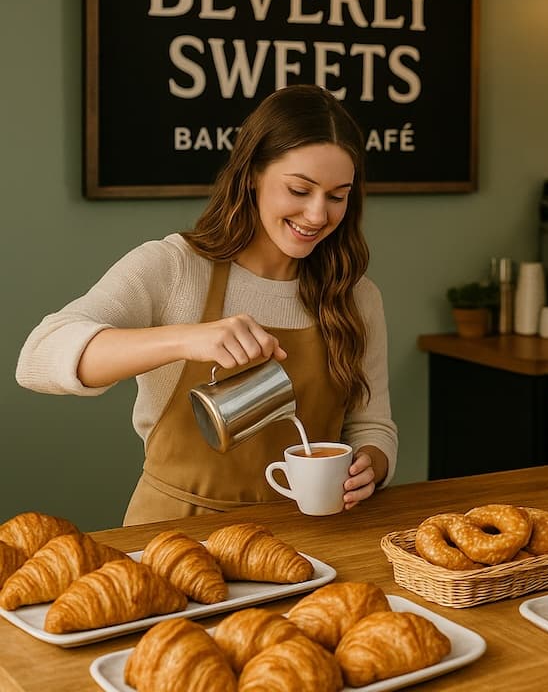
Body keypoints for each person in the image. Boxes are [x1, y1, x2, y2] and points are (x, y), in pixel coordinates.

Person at [16, 85, 398, 525]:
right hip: (172, 533)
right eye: (299, 189)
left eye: (337, 196)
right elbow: (37, 359)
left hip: (311, 539)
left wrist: (371, 465)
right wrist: (185, 339)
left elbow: (373, 427)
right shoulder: (176, 268)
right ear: (253, 173)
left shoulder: (356, 297)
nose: (316, 214)